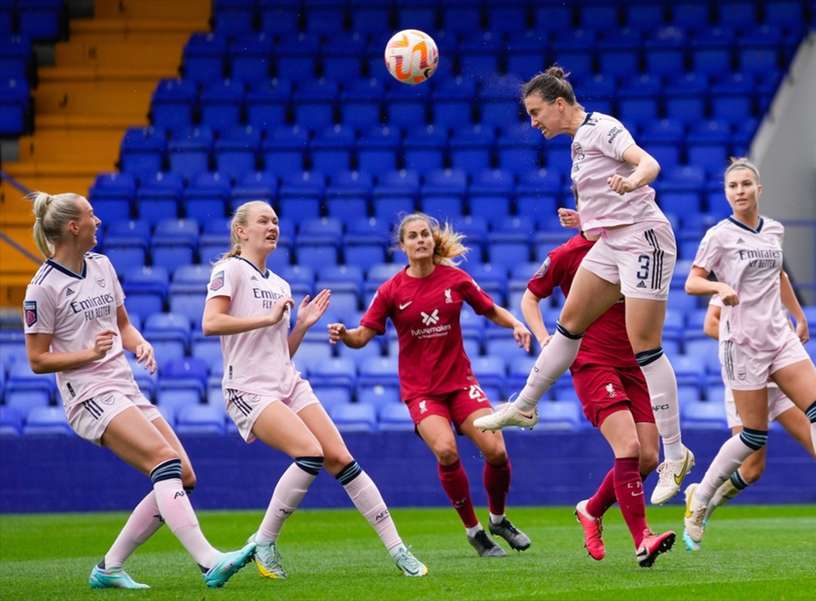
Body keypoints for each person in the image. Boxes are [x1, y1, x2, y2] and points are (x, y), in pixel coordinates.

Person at [473, 66, 693, 507]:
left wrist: (631, 181)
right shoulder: (577, 145)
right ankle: (525, 405)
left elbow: (648, 162)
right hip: (612, 240)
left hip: (644, 238)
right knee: (570, 324)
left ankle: (675, 455)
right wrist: (586, 220)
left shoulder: (603, 128)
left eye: (536, 112)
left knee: (645, 346)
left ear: (559, 104)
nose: (533, 122)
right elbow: (602, 207)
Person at [22, 192, 255, 590]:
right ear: (73, 227)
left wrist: (139, 343)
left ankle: (109, 567)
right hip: (89, 396)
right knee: (163, 463)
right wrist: (86, 353)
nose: (98, 220)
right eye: (90, 215)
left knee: (183, 475)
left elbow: (124, 324)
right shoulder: (42, 288)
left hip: (123, 386)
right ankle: (209, 561)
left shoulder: (101, 265)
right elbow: (37, 360)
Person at [201, 200, 427, 578]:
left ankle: (398, 549)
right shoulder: (229, 270)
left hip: (286, 380)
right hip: (248, 387)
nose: (272, 226)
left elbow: (279, 352)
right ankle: (264, 541)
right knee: (310, 453)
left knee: (341, 459)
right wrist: (269, 317)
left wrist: (300, 325)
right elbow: (210, 322)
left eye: (275, 220)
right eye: (262, 221)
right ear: (241, 232)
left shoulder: (279, 284)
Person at [682, 158, 816, 547]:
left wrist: (799, 316)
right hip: (742, 345)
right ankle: (701, 500)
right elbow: (692, 282)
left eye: (747, 184)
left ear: (758, 189)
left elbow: (777, 275)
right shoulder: (719, 236)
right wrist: (718, 290)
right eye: (733, 186)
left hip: (779, 339)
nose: (740, 191)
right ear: (726, 193)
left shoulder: (773, 230)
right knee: (752, 440)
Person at [328, 213, 533, 557]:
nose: (420, 239)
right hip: (422, 392)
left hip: (460, 383)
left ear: (432, 240)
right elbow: (363, 336)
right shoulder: (391, 290)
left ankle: (498, 519)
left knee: (496, 452)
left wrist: (515, 323)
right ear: (403, 245)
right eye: (413, 236)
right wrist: (346, 334)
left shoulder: (455, 279)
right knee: (446, 450)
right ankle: (475, 532)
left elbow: (489, 309)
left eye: (425, 234)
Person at [689, 294, 816, 551]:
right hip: (747, 381)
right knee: (752, 469)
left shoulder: (770, 276)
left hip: (779, 383)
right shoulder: (731, 281)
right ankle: (702, 503)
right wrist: (753, 347)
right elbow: (710, 324)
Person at [521, 223, 676, 567]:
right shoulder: (565, 254)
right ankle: (643, 539)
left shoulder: (632, 243)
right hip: (593, 361)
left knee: (648, 458)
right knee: (629, 447)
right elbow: (530, 296)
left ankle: (591, 510)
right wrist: (546, 338)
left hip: (634, 362)